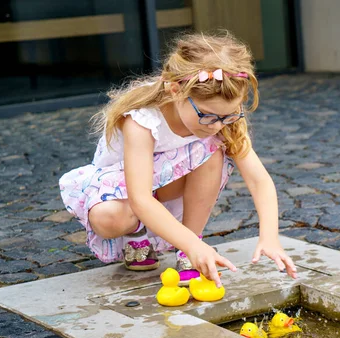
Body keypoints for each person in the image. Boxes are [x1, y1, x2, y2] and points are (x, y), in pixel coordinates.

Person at [59, 32, 297, 288]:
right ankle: (137, 235)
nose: (217, 125)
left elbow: (259, 181)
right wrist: (197, 247)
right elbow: (139, 198)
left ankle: (188, 247)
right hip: (123, 193)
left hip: (168, 186)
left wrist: (270, 236)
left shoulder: (220, 123)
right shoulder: (143, 119)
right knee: (109, 218)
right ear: (175, 91)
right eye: (207, 115)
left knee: (213, 149)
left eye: (228, 115)